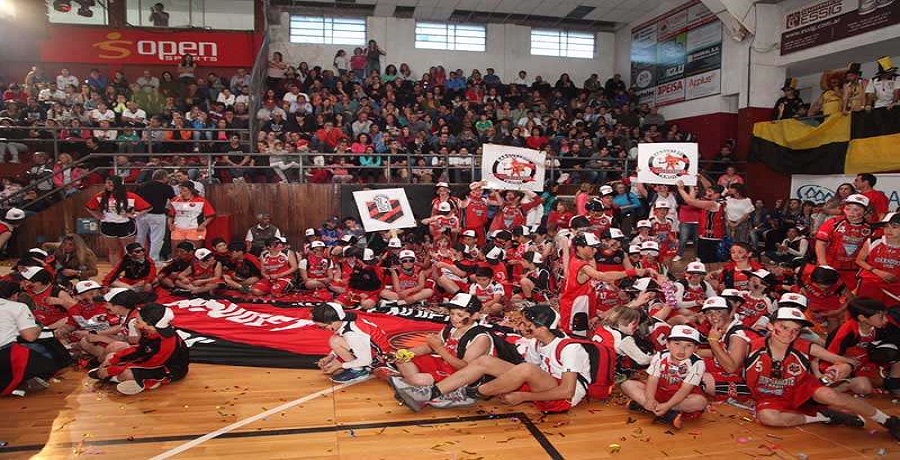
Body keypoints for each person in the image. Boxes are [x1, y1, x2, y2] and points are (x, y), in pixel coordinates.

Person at [391, 305, 594, 413]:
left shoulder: (570, 348)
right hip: (543, 385)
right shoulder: (535, 343)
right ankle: (430, 393)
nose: (520, 328)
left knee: (526, 370)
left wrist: (524, 397)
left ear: (542, 327)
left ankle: (469, 394)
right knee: (485, 362)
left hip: (562, 399)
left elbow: (566, 390)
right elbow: (530, 372)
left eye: (525, 324)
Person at [744, 307, 900, 439]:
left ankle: (888, 421)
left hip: (801, 389)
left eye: (796, 330)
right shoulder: (751, 346)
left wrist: (842, 368)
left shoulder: (804, 346)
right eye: (785, 327)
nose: (790, 334)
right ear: (771, 326)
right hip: (771, 395)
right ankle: (824, 416)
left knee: (831, 395)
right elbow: (731, 367)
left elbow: (847, 362)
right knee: (768, 418)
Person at [88, 303, 189, 395]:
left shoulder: (167, 343)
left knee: (126, 374)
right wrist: (115, 359)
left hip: (168, 369)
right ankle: (116, 377)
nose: (135, 324)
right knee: (111, 356)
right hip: (152, 361)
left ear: (150, 324)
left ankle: (152, 381)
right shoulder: (152, 332)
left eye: (138, 321)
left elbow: (150, 365)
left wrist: (112, 370)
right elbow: (140, 349)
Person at [560, 232, 648, 338]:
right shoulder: (580, 264)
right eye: (592, 247)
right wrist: (631, 272)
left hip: (580, 305)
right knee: (575, 339)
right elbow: (602, 276)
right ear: (579, 248)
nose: (595, 250)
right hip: (574, 308)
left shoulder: (581, 260)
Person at [392, 293, 492, 385]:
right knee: (402, 360)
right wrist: (408, 353)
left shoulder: (481, 337)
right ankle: (415, 384)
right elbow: (430, 347)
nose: (453, 318)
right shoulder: (451, 328)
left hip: (460, 375)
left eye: (459, 315)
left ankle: (414, 383)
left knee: (417, 380)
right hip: (444, 364)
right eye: (452, 314)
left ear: (475, 315)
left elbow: (465, 367)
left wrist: (439, 348)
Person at [621, 325, 708, 428]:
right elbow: (653, 379)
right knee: (627, 384)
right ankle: (664, 412)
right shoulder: (660, 356)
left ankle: (651, 407)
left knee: (701, 402)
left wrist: (667, 405)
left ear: (695, 349)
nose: (682, 349)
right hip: (660, 391)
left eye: (688, 346)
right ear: (667, 344)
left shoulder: (697, 363)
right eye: (677, 344)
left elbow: (685, 389)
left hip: (682, 397)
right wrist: (649, 398)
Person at [0, 281, 61, 396]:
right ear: (15, 295)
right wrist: (38, 327)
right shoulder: (18, 306)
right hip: (5, 354)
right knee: (50, 361)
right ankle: (23, 378)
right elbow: (30, 336)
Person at [313, 302, 391, 384]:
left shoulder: (352, 333)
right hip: (374, 350)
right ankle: (358, 367)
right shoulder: (344, 320)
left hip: (380, 359)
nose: (325, 329)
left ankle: (358, 371)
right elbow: (346, 341)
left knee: (334, 341)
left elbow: (366, 360)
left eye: (324, 327)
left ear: (333, 321)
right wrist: (330, 356)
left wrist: (339, 365)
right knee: (331, 361)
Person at [85, 176, 152, 267]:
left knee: (130, 250)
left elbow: (148, 207)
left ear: (118, 185)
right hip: (108, 225)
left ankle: (130, 270)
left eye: (110, 183)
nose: (107, 185)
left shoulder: (130, 196)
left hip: (125, 225)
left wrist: (134, 215)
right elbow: (89, 207)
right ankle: (116, 272)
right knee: (113, 250)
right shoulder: (100, 196)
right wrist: (97, 215)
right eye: (107, 183)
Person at [815, 194, 874, 288]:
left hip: (853, 270)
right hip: (830, 267)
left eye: (856, 210)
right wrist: (823, 265)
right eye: (848, 208)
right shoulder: (833, 222)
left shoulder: (870, 228)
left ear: (865, 212)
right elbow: (820, 243)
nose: (851, 213)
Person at [855, 212, 900, 305]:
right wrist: (877, 271)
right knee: (866, 313)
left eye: (894, 227)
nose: (889, 230)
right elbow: (859, 260)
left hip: (894, 289)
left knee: (890, 317)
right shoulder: (873, 241)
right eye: (886, 226)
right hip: (870, 285)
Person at [677, 181, 726, 263]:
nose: (707, 192)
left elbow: (690, 202)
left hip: (710, 239)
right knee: (705, 260)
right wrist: (691, 185)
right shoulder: (719, 201)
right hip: (710, 236)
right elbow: (692, 199)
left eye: (710, 192)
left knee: (707, 262)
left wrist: (680, 189)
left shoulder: (713, 204)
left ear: (717, 194)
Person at [135, 169, 176, 264]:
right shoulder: (167, 187)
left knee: (140, 237)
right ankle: (153, 259)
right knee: (156, 238)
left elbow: (135, 199)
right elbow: (174, 200)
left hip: (141, 214)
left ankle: (137, 258)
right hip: (157, 215)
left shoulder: (142, 186)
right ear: (164, 177)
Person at [168, 182, 215, 250]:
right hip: (178, 229)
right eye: (180, 190)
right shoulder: (175, 200)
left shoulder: (201, 200)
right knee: (176, 251)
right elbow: (170, 216)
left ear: (191, 190)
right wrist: (170, 224)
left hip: (195, 229)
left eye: (184, 190)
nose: (181, 192)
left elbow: (211, 215)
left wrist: (203, 225)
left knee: (194, 251)